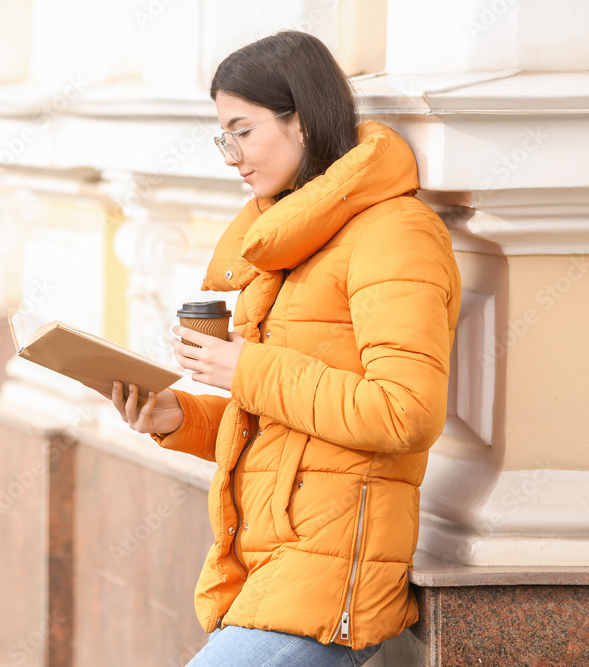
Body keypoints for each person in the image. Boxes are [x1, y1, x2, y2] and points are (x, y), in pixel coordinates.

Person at [110, 31, 461, 666]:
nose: (231, 156)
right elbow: (286, 427)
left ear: (300, 117)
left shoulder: (396, 233)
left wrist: (247, 367)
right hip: (269, 570)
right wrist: (179, 417)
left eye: (241, 131)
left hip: (331, 580)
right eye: (224, 136)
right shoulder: (289, 242)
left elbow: (404, 412)